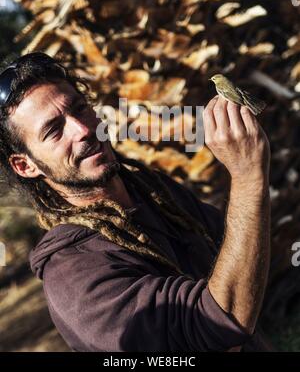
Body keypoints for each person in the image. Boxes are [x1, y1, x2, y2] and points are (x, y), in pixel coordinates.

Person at [0, 52, 273, 352]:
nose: (83, 130)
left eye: (80, 108)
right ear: (25, 166)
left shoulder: (150, 190)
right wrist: (248, 176)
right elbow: (219, 326)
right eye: (54, 130)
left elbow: (245, 256)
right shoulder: (73, 276)